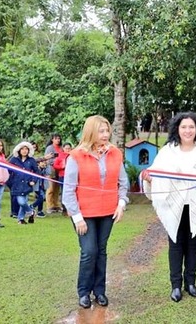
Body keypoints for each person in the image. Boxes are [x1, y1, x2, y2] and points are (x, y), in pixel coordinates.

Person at [143, 112, 196, 303]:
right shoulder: (168, 151)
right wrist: (149, 178)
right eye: (184, 127)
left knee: (193, 244)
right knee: (176, 244)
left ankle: (191, 282)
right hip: (173, 205)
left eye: (191, 127)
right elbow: (154, 172)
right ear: (177, 129)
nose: (188, 131)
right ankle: (176, 285)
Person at [62, 115, 129, 309]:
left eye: (107, 130)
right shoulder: (76, 156)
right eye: (101, 131)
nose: (106, 134)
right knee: (89, 251)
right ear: (91, 132)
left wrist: (121, 204)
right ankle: (84, 292)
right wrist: (77, 218)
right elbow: (68, 191)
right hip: (84, 214)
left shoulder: (115, 153)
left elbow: (123, 183)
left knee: (101, 251)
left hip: (108, 211)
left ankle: (99, 291)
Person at [8, 141, 40, 225]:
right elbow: (8, 170)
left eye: (26, 149)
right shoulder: (14, 160)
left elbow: (36, 171)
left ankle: (21, 219)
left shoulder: (31, 160)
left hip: (27, 184)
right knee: (21, 202)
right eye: (22, 149)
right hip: (17, 184)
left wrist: (33, 180)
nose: (24, 151)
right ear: (19, 150)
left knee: (23, 201)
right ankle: (30, 211)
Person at [45, 133, 64, 213]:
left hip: (59, 171)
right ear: (52, 139)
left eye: (59, 138)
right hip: (51, 170)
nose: (58, 140)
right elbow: (47, 159)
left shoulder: (61, 148)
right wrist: (57, 161)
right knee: (51, 188)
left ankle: (56, 205)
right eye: (56, 138)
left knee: (57, 189)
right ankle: (49, 206)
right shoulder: (49, 148)